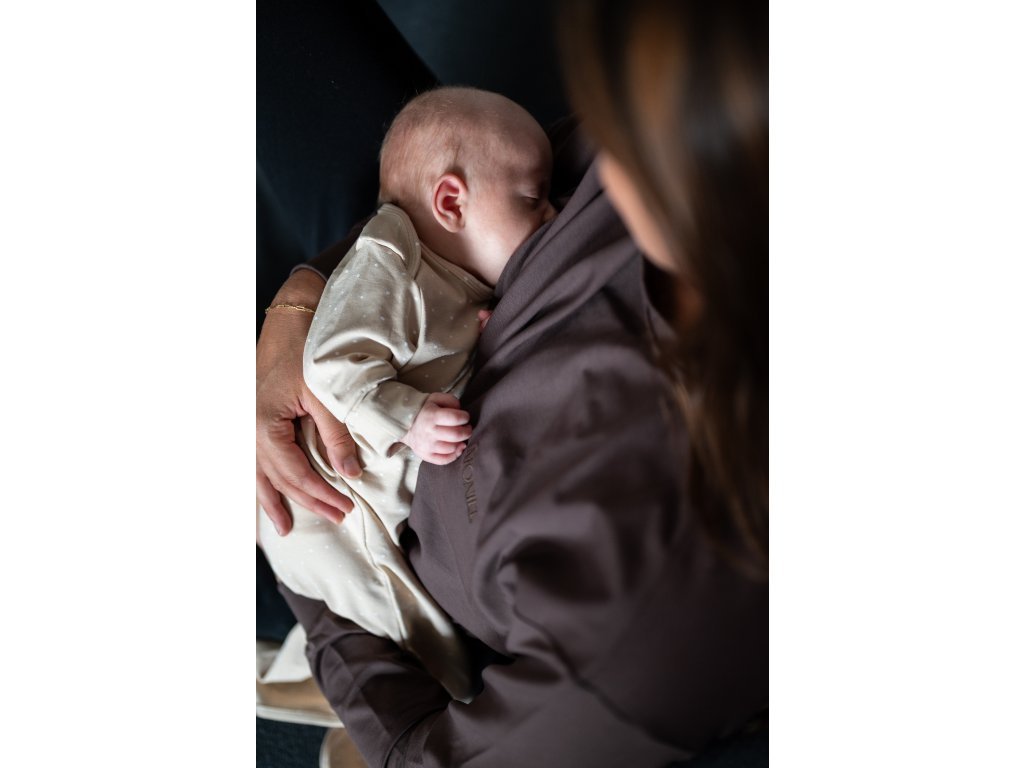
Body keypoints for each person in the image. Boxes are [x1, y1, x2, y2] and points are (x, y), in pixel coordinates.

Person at [256, 0, 767, 765]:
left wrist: (303, 542)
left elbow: (425, 756)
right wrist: (302, 304)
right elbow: (439, 210)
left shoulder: (641, 615)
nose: (594, 156)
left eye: (618, 124)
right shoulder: (699, 138)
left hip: (360, 549)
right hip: (419, 289)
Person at [258, 86, 556, 702]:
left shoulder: (461, 276)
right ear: (450, 201)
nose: (551, 216)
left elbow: (429, 349)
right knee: (422, 634)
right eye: (533, 199)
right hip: (332, 512)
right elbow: (331, 363)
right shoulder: (388, 258)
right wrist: (410, 417)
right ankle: (396, 694)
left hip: (367, 493)